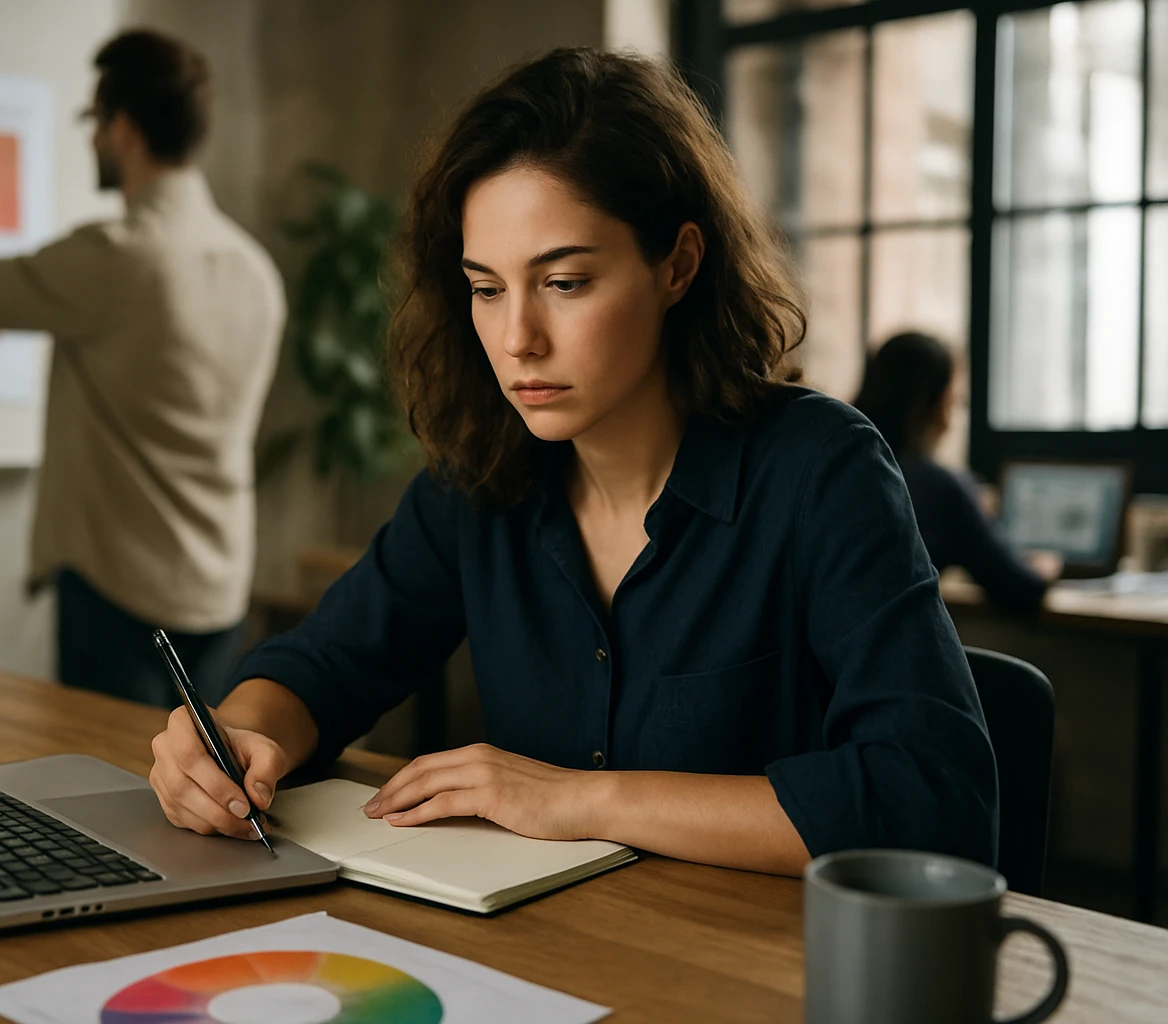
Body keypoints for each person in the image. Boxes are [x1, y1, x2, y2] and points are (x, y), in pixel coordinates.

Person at [149, 48, 998, 876]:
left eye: (565, 282)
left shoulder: (820, 470)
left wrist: (579, 799)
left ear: (679, 265)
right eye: (487, 289)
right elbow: (327, 665)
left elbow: (932, 798)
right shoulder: (478, 479)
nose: (517, 338)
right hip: (547, 964)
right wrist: (236, 738)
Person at [0, 30, 285, 706]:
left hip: (120, 597)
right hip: (220, 593)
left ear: (121, 128)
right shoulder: (256, 272)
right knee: (207, 797)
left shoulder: (119, 256)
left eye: (93, 120)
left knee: (112, 803)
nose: (92, 136)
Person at [854, 332, 1060, 615]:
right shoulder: (939, 487)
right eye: (956, 400)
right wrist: (1045, 566)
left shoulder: (841, 467)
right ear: (938, 406)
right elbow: (1020, 587)